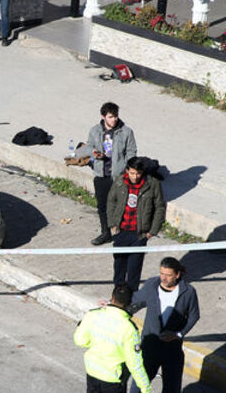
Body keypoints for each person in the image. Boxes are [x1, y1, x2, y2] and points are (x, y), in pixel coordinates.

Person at [128, 257, 200, 393]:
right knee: (139, 385)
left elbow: (194, 316)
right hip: (149, 347)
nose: (164, 278)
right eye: (162, 273)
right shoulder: (151, 285)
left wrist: (178, 334)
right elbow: (134, 300)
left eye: (168, 275)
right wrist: (112, 303)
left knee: (172, 388)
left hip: (172, 350)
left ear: (177, 274)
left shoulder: (188, 292)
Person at [75, 283, 152, 393]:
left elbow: (79, 340)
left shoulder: (92, 315)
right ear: (129, 302)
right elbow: (134, 363)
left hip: (92, 373)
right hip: (113, 381)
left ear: (112, 297)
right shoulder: (129, 329)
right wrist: (145, 388)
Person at [108, 157, 166, 291]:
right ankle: (118, 293)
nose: (135, 177)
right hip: (121, 231)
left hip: (139, 234)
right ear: (127, 171)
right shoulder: (119, 182)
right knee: (119, 264)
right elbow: (111, 201)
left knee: (134, 267)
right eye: (132, 173)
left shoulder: (153, 184)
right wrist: (112, 224)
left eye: (138, 173)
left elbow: (160, 207)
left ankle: (133, 294)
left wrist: (152, 231)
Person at [88, 102, 138, 246]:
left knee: (120, 206)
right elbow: (89, 147)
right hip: (101, 174)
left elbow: (131, 152)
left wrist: (126, 170)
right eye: (110, 117)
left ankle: (121, 233)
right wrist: (94, 155)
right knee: (102, 206)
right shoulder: (95, 131)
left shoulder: (126, 132)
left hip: (118, 175)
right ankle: (105, 232)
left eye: (115, 116)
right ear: (103, 117)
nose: (114, 119)